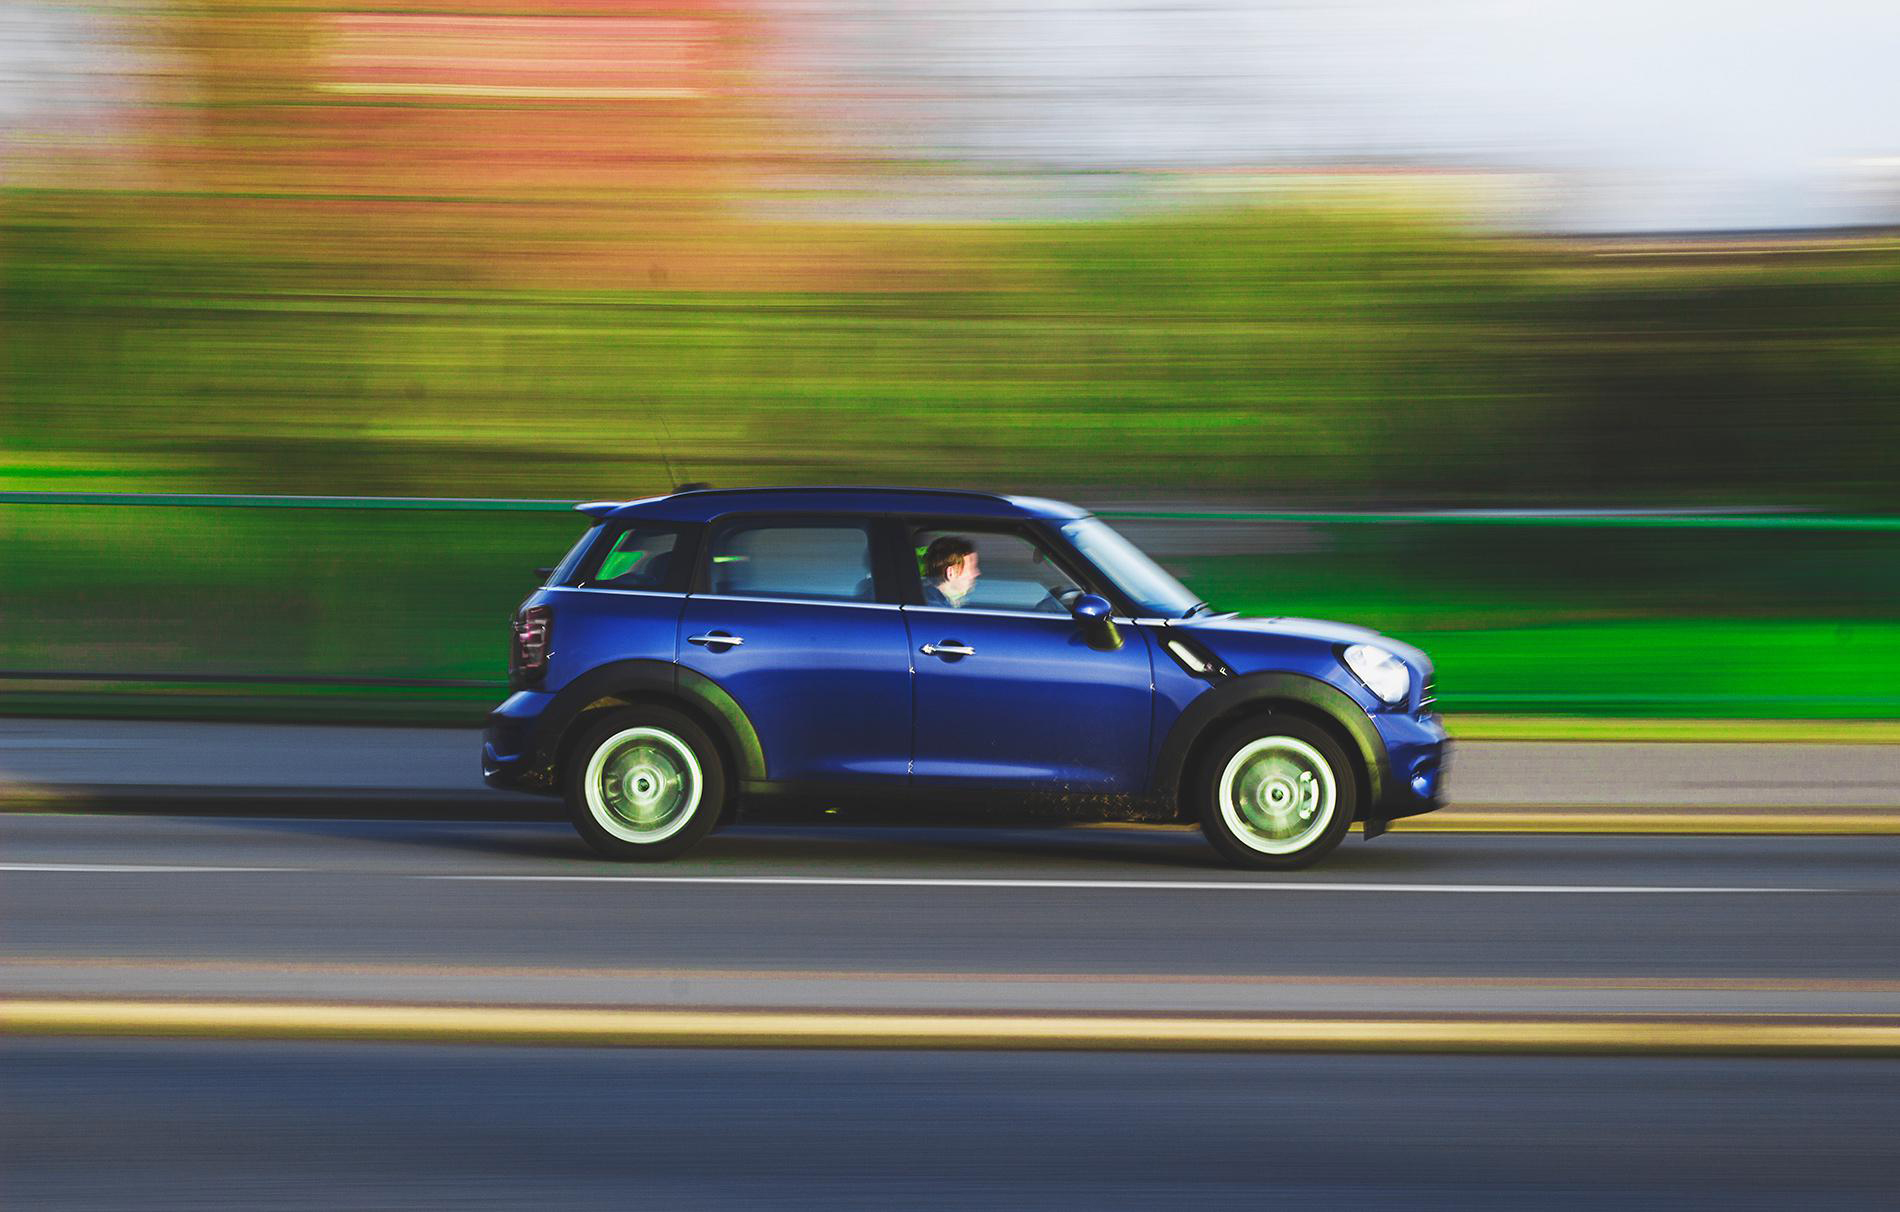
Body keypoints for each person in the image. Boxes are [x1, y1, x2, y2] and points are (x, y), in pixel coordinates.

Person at [921, 535, 979, 607]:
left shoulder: (928, 599)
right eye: (971, 568)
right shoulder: (936, 608)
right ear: (951, 573)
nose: (977, 573)